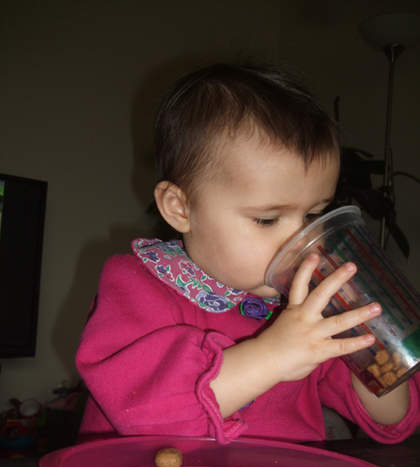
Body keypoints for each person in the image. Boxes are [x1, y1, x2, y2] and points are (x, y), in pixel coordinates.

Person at [76, 63, 419, 444]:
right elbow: (143, 413)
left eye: (313, 215)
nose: (300, 240)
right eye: (267, 219)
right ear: (180, 209)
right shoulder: (137, 285)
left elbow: (392, 419)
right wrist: (272, 355)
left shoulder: (301, 306)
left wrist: (370, 341)